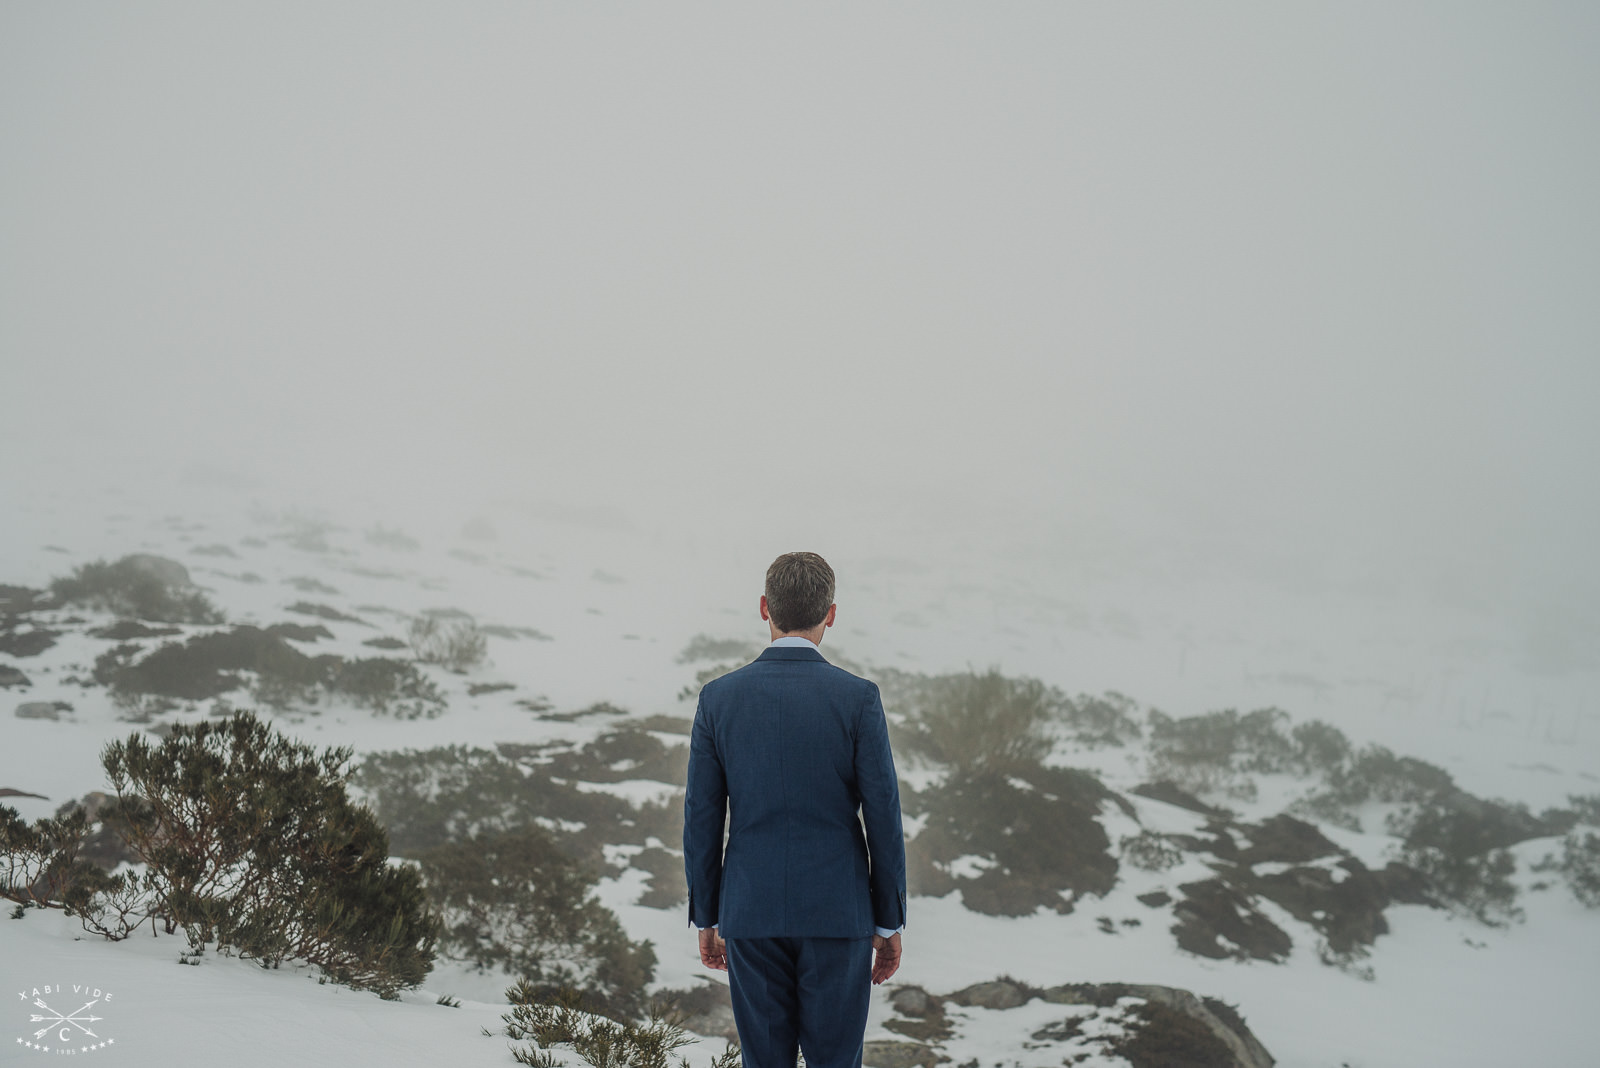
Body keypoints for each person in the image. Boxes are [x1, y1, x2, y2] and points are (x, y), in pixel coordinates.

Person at [683, 551, 907, 1068]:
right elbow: (883, 818)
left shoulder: (718, 699)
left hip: (751, 911)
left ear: (765, 608)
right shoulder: (858, 699)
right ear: (831, 613)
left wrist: (709, 915)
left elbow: (702, 817)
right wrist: (889, 922)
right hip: (838, 913)